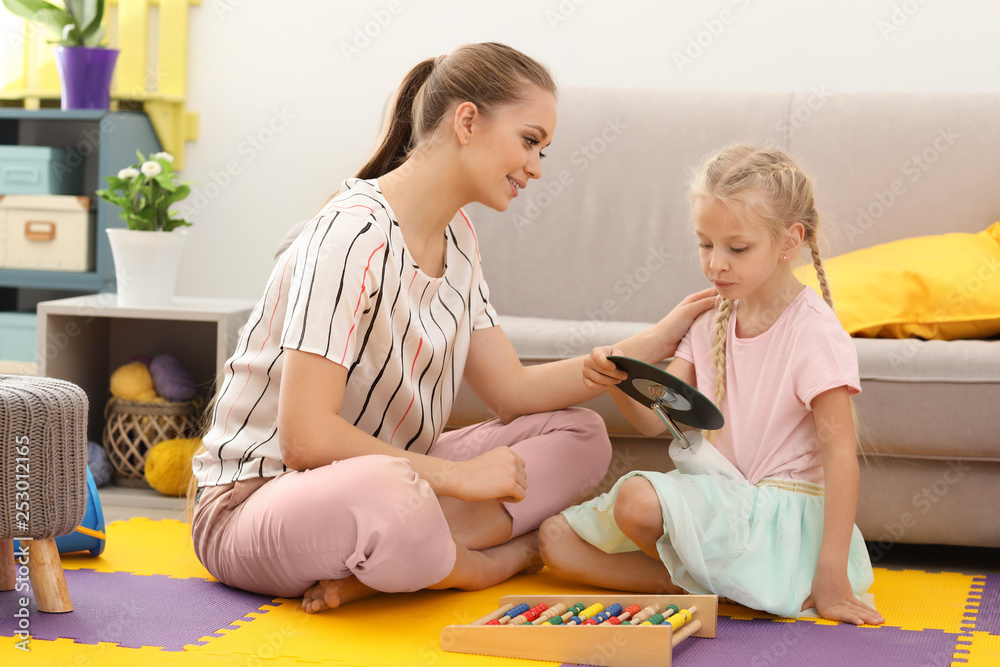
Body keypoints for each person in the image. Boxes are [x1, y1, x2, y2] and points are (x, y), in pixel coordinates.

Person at [190, 42, 716, 614]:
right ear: (467, 120)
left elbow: (513, 392)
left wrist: (647, 346)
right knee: (390, 494)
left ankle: (398, 562)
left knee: (583, 435)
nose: (537, 166)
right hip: (256, 502)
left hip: (390, 484)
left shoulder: (458, 237)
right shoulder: (349, 235)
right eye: (530, 140)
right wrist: (458, 478)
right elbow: (306, 439)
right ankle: (482, 563)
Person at [540, 143, 885, 626]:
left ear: (790, 241)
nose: (716, 264)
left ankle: (748, 583)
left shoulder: (814, 331)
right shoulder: (709, 322)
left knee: (636, 500)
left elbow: (841, 456)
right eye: (705, 244)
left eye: (737, 248)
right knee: (556, 541)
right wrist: (617, 372)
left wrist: (833, 574)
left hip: (782, 519)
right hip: (723, 502)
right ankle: (717, 588)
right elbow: (649, 422)